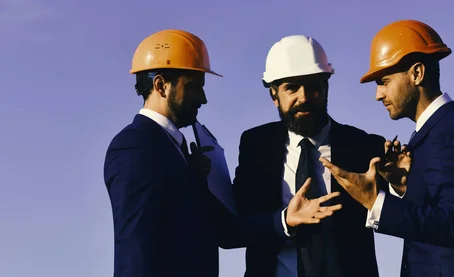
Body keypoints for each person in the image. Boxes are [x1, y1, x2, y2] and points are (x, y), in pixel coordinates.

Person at [103, 29, 342, 277]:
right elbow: (134, 248)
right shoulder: (135, 147)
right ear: (161, 85)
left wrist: (284, 220)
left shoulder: (176, 149)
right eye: (194, 86)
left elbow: (223, 229)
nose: (203, 98)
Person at [320, 20, 454, 277]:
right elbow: (443, 217)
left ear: (417, 73)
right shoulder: (439, 131)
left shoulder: (451, 132)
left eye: (384, 81)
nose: (378, 94)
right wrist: (404, 188)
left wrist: (375, 201)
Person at [232, 35, 387, 277]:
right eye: (291, 87)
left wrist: (399, 185)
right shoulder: (255, 147)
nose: (304, 97)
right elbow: (237, 228)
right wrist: (284, 221)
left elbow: (402, 213)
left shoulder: (364, 146)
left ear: (326, 88)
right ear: (274, 95)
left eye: (313, 86)